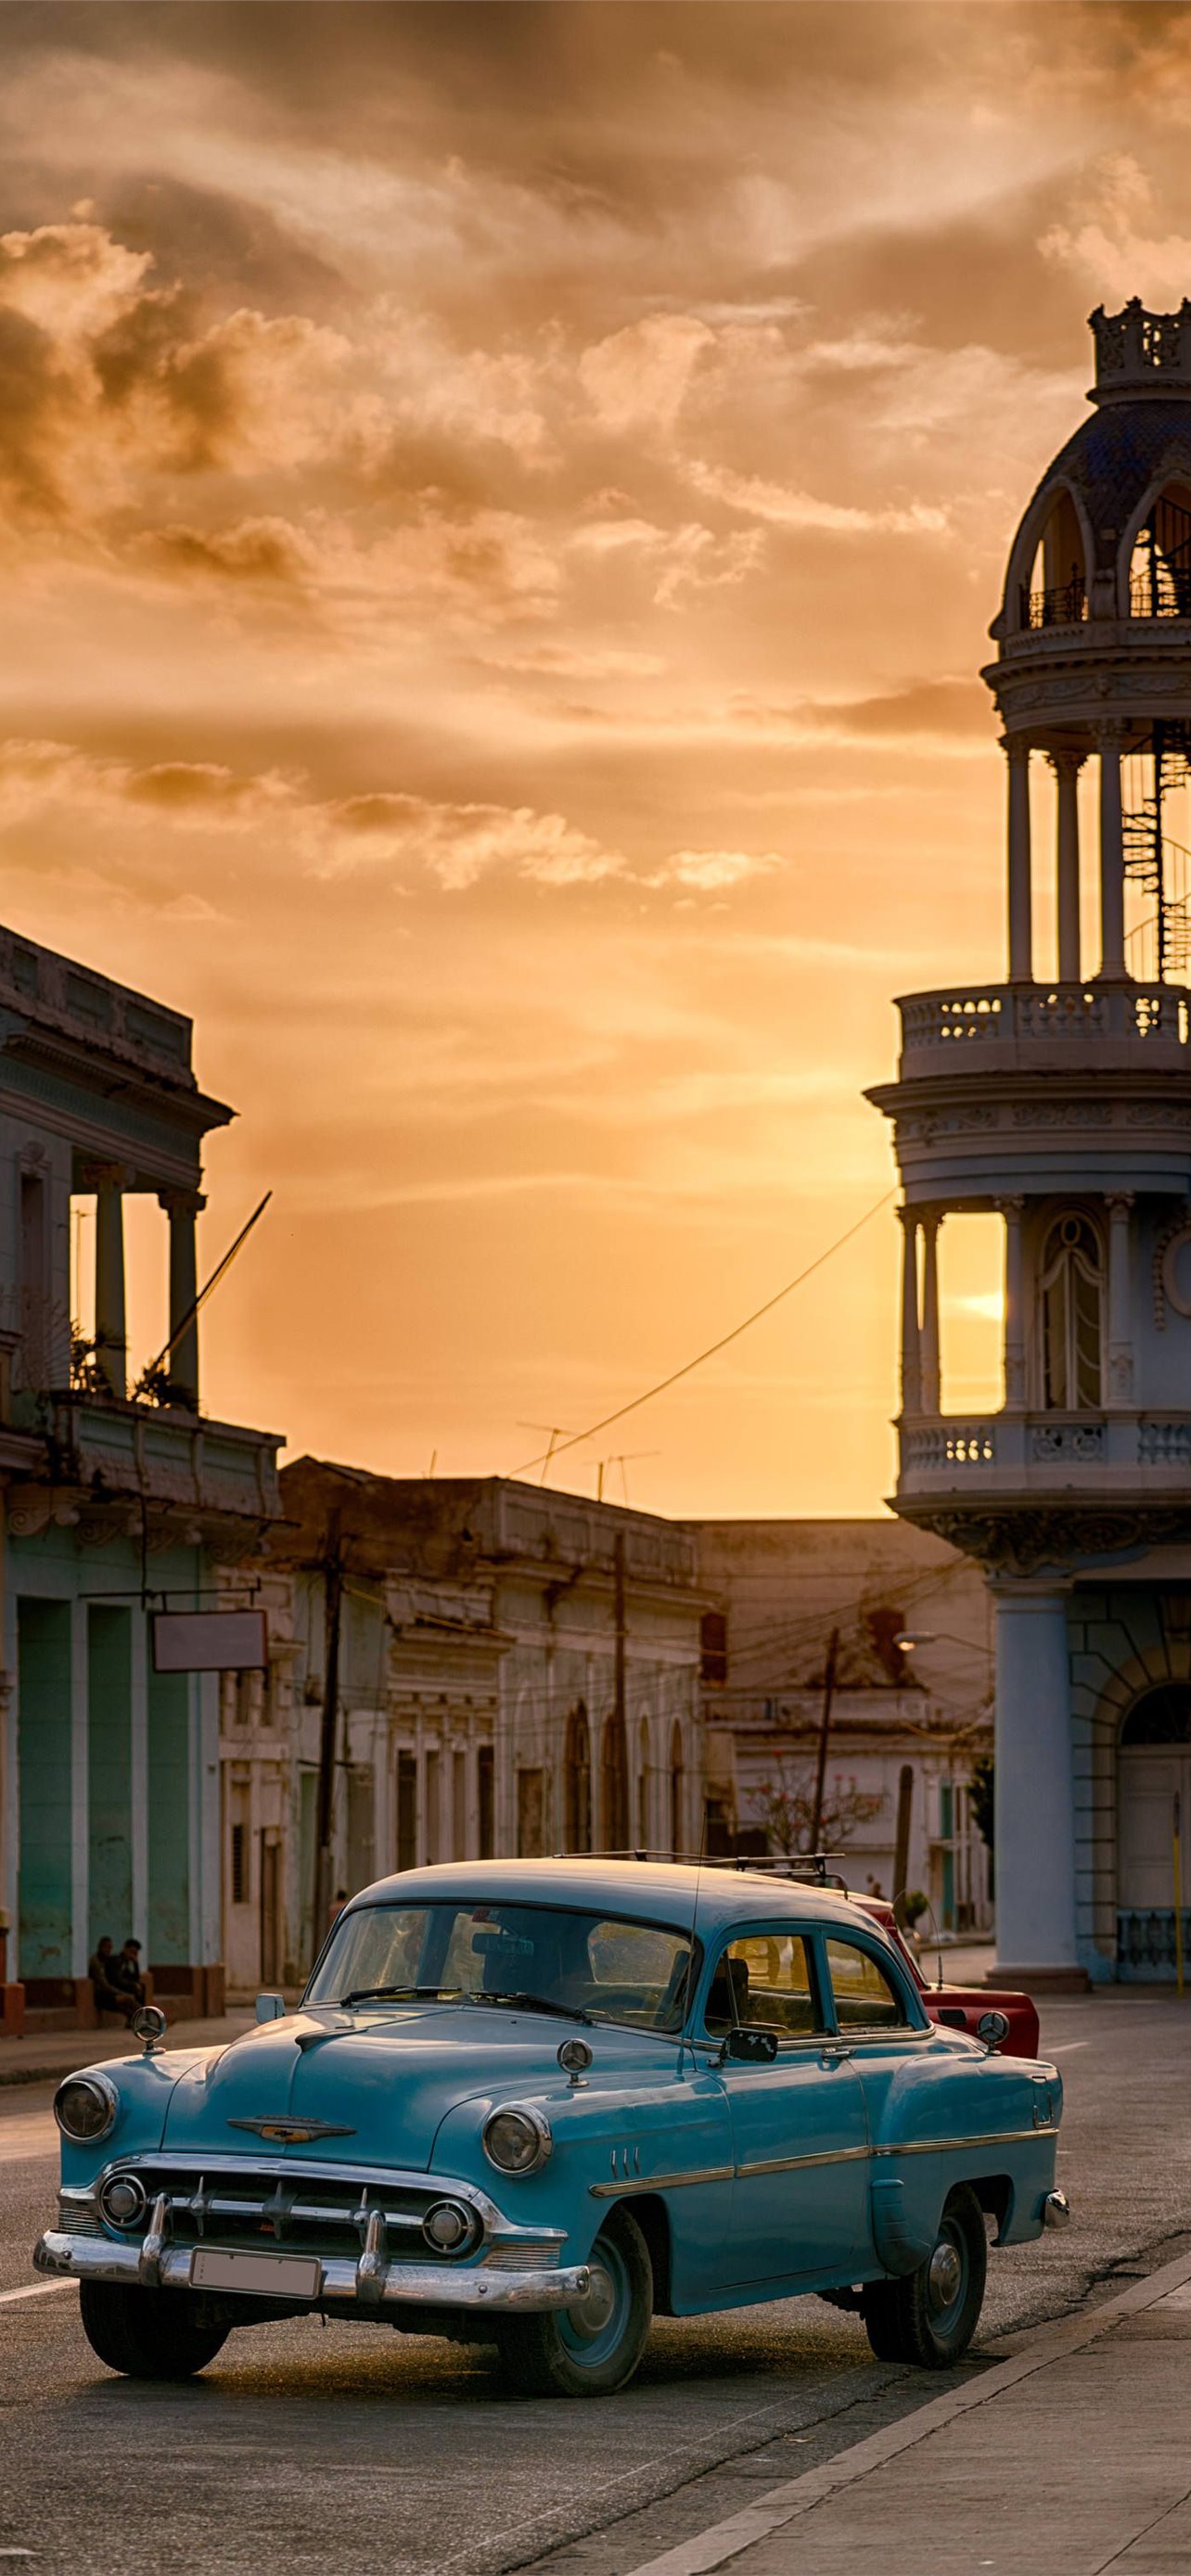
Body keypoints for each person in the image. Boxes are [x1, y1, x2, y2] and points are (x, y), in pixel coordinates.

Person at [87, 1936, 135, 2024]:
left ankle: (144, 2016)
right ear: (100, 1947)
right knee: (126, 1999)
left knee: (130, 1999)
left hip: (106, 1993)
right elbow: (104, 1985)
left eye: (110, 1948)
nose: (108, 1950)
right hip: (99, 1995)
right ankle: (146, 2016)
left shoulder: (107, 1961)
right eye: (106, 1947)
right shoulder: (95, 1962)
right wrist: (122, 1994)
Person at [112, 1937, 147, 2009]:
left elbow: (136, 1978)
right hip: (117, 1987)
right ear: (125, 1949)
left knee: (141, 1986)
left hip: (128, 1986)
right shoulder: (117, 1960)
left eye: (135, 1953)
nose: (132, 1955)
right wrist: (133, 1984)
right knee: (135, 1988)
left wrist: (136, 1963)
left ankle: (140, 2010)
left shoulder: (130, 1963)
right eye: (131, 1952)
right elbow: (117, 1979)